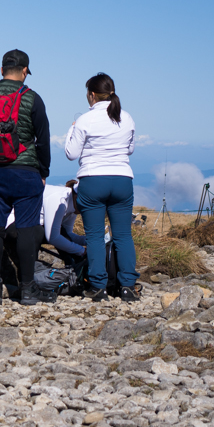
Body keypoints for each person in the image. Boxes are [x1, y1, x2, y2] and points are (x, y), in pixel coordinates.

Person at [0, 49, 51, 305]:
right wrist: (43, 170)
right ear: (25, 71)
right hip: (27, 172)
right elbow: (43, 139)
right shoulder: (32, 98)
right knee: (27, 228)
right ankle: (28, 289)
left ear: (2, 69)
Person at [65, 72, 138, 301]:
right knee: (123, 235)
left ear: (92, 95)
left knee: (95, 236)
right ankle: (127, 286)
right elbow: (130, 149)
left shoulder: (85, 120)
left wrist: (72, 128)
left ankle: (98, 287)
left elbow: (71, 153)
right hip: (122, 179)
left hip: (93, 179)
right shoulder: (126, 117)